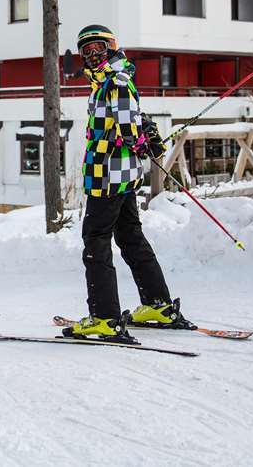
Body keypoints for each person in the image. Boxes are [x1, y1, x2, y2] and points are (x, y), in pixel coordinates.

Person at [64, 24, 188, 343]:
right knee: (130, 236)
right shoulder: (117, 78)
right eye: (86, 52)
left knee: (95, 240)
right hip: (123, 175)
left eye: (98, 49)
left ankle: (105, 318)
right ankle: (158, 306)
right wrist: (146, 132)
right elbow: (132, 116)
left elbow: (126, 126)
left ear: (111, 47)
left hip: (108, 175)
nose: (92, 56)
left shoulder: (114, 81)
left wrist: (139, 138)